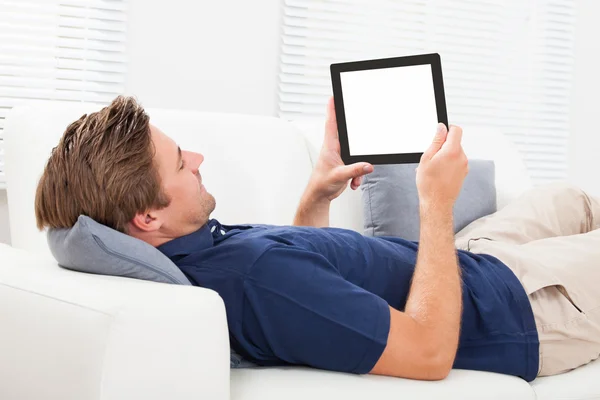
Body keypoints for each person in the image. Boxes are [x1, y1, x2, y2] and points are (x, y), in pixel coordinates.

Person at [34, 96, 600, 382]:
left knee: (570, 199)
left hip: (468, 265)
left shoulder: (197, 250)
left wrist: (317, 197)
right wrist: (435, 203)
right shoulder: (252, 282)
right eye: (181, 164)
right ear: (146, 219)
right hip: (517, 307)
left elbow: (312, 289)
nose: (200, 160)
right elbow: (428, 353)